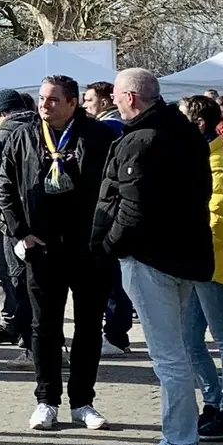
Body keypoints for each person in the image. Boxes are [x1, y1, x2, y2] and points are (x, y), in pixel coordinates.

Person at [97, 68, 214, 445]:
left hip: (152, 258)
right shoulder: (186, 133)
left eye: (115, 95)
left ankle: (179, 444)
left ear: (131, 97)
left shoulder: (141, 141)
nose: (112, 100)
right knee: (179, 352)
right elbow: (203, 191)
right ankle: (187, 436)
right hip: (188, 254)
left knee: (169, 358)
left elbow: (131, 207)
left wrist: (110, 244)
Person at [0, 75, 117, 431]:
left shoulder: (98, 137)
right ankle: (46, 400)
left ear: (72, 102)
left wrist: (105, 235)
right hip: (42, 249)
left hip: (88, 249)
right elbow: (4, 187)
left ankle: (83, 402)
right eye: (41, 99)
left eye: (52, 100)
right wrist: (21, 233)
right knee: (44, 327)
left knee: (89, 326)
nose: (44, 105)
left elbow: (114, 190)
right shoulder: (23, 136)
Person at [177, 95, 223, 441]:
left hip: (215, 266)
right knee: (190, 338)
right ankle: (213, 402)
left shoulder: (218, 164)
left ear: (198, 124)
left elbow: (218, 219)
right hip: (200, 265)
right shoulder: (201, 159)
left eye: (181, 120)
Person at [0, 91, 37, 367]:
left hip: (11, 222)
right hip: (42, 220)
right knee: (41, 283)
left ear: (1, 112)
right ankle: (46, 341)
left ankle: (30, 345)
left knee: (19, 281)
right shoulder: (43, 129)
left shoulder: (0, 138)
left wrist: (3, 219)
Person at [83, 81, 136, 356]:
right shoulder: (114, 128)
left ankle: (116, 335)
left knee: (113, 277)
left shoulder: (109, 130)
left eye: (89, 100)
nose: (85, 105)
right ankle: (116, 332)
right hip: (112, 210)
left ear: (105, 102)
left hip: (110, 212)